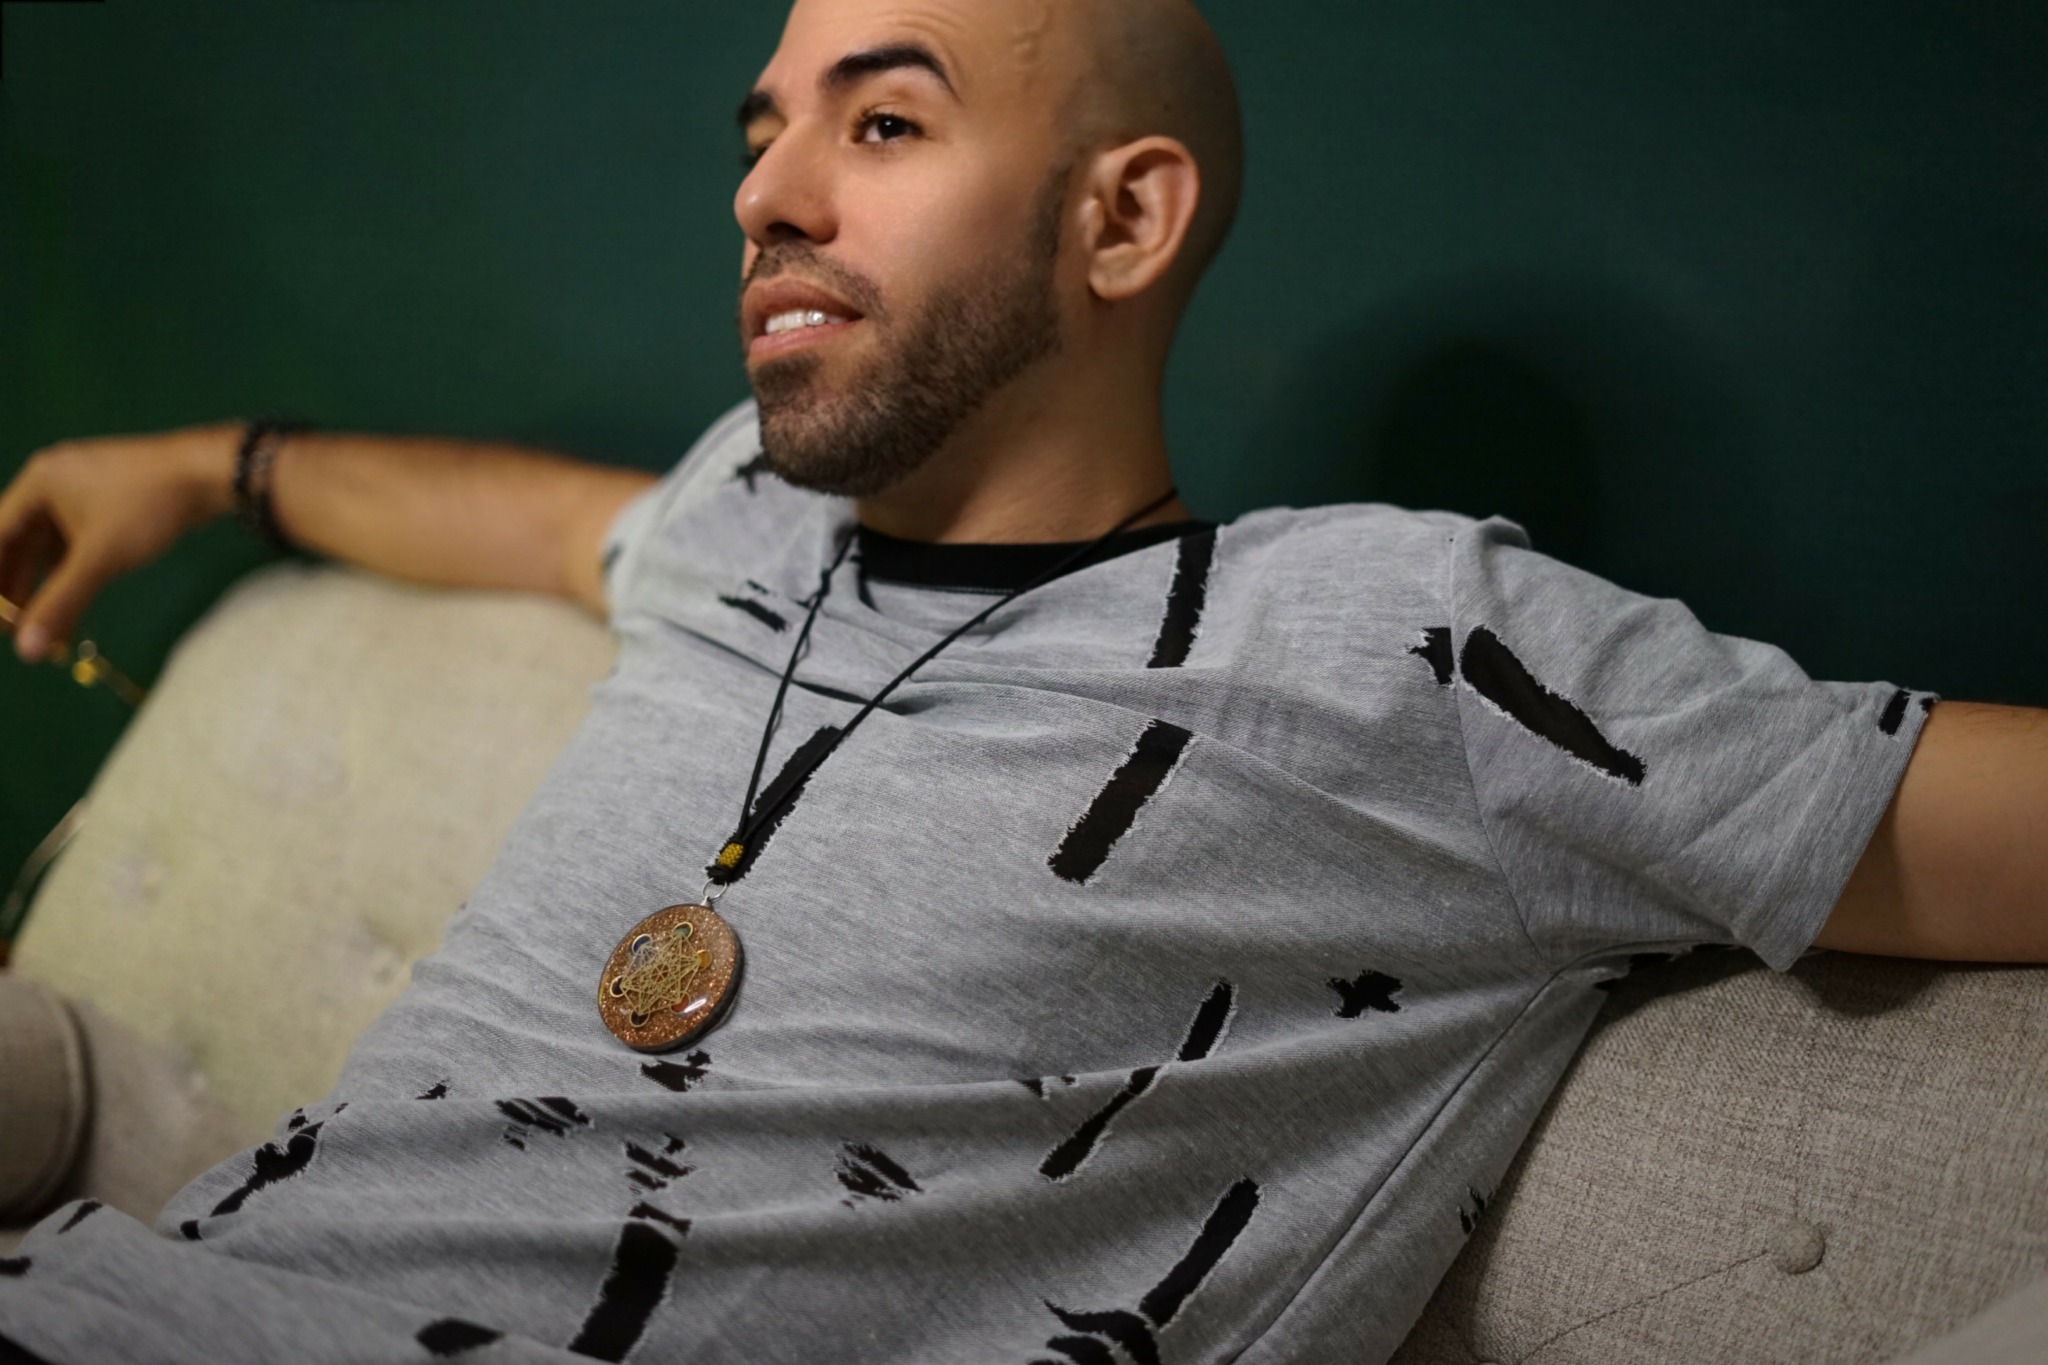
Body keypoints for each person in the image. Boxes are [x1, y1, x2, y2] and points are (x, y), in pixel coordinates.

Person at [0, 0, 2041, 1360]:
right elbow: (543, 526)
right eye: (766, 130)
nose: (761, 190)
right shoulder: (745, 521)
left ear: (1121, 216)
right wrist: (208, 465)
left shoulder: (1407, 645)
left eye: (881, 121)